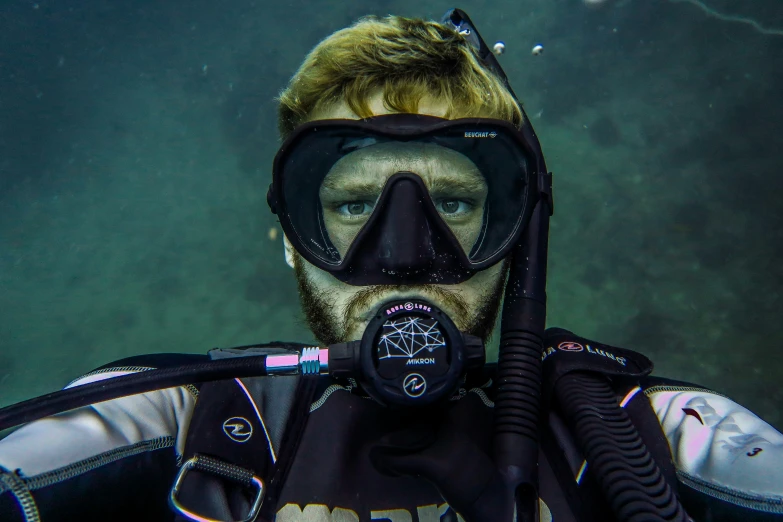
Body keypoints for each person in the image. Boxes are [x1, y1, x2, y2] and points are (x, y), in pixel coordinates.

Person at [0, 9, 781, 522]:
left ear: (518, 232)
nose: (403, 257)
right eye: (349, 207)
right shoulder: (178, 423)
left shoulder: (633, 436)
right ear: (286, 236)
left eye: (452, 202)